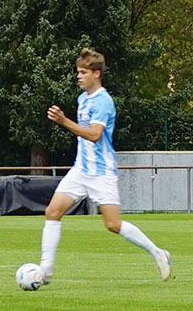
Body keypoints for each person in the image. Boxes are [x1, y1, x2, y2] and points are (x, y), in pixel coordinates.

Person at [39, 48, 171, 284]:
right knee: (52, 212)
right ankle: (45, 271)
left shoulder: (104, 102)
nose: (78, 76)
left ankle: (157, 252)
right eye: (77, 72)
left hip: (101, 172)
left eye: (83, 72)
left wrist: (64, 121)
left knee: (112, 224)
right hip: (81, 169)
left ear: (96, 74)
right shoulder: (83, 99)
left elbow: (94, 135)